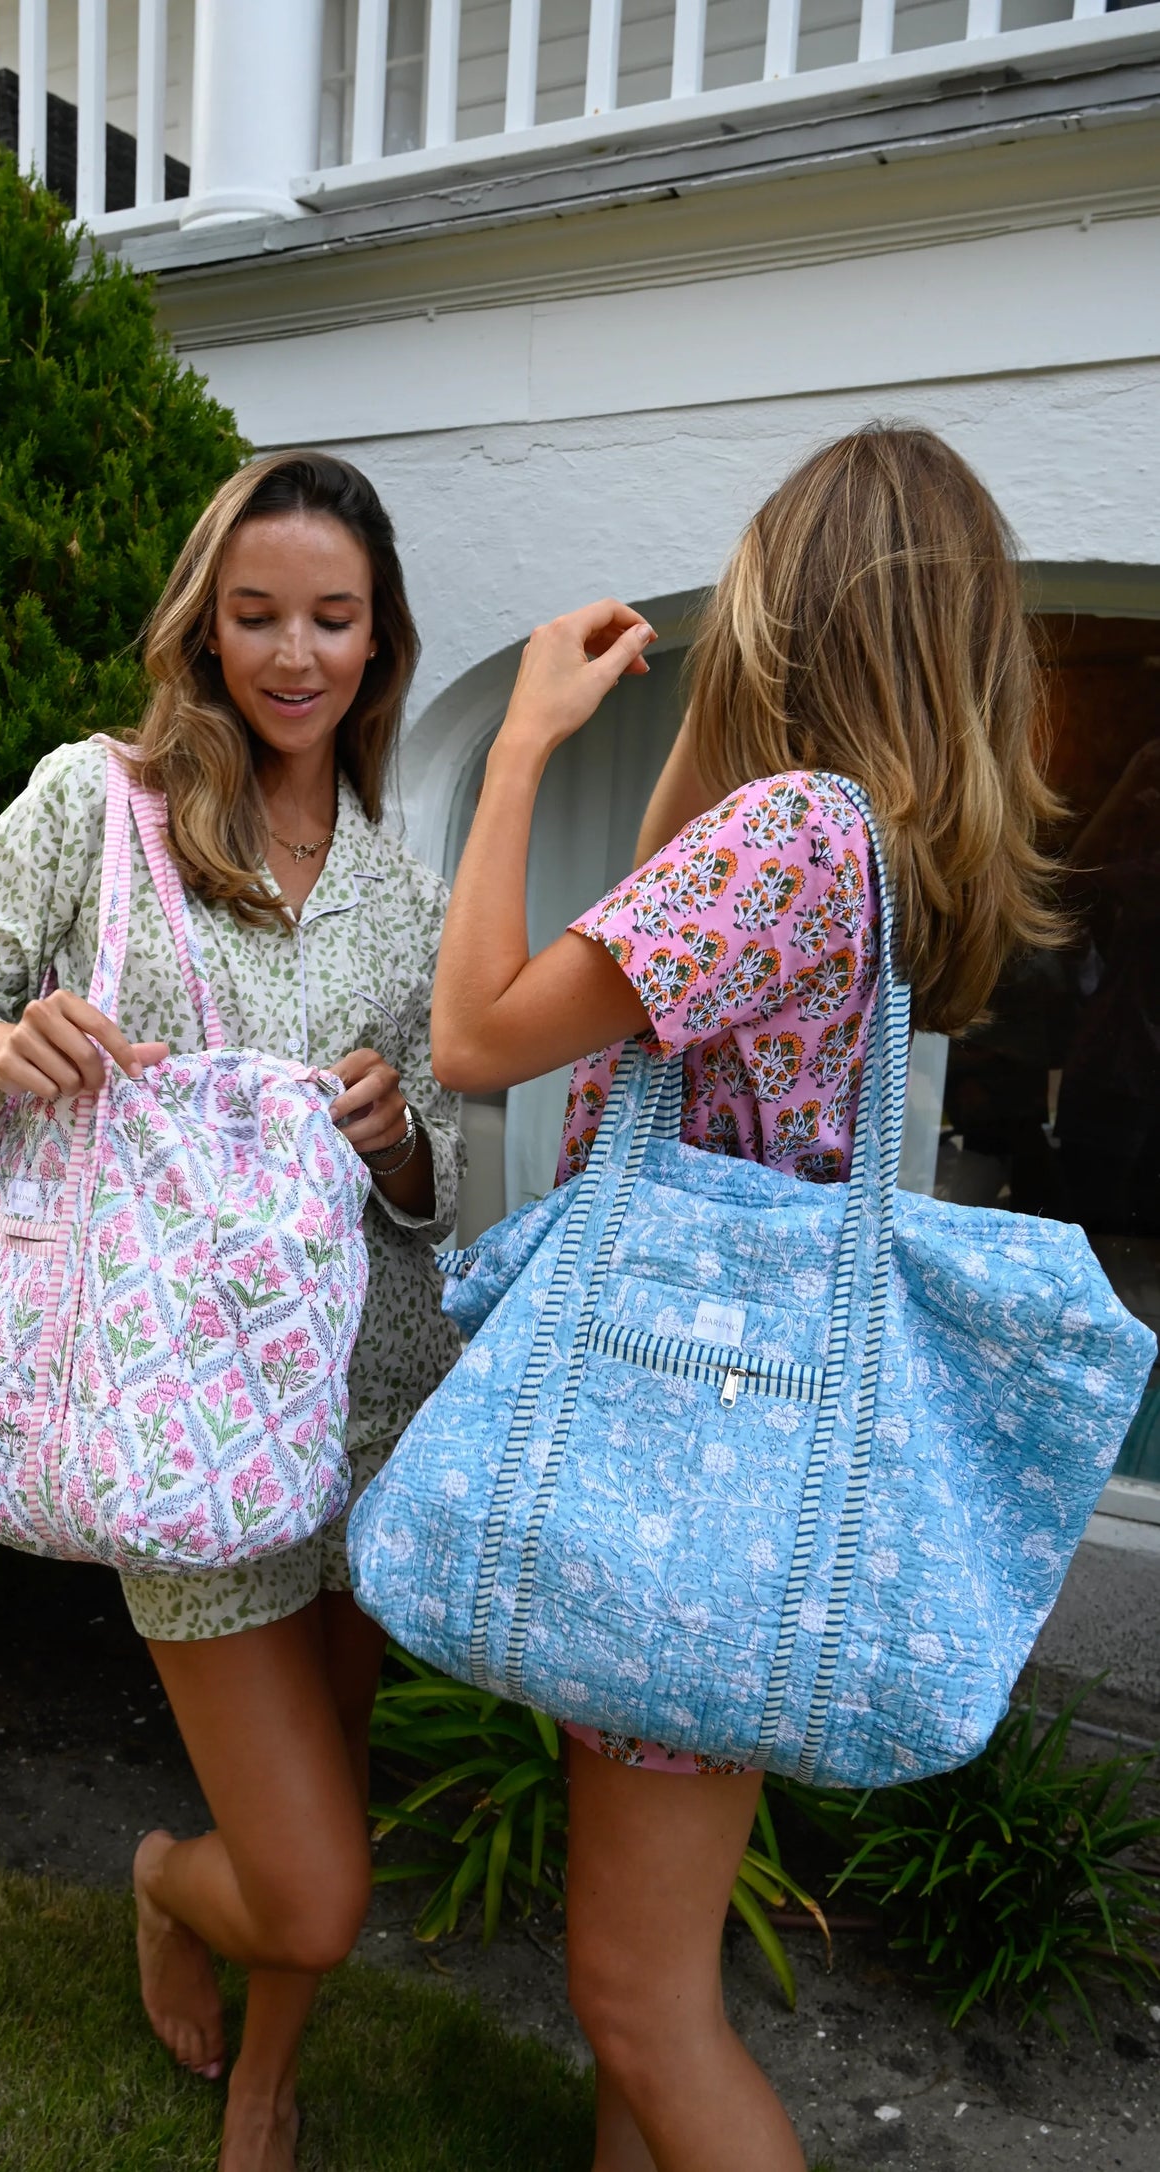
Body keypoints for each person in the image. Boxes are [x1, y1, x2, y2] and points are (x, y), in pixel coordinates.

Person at [428, 425, 1064, 2172]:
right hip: (732, 1465)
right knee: (656, 1977)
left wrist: (511, 756)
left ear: (788, 610)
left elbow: (477, 1035)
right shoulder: (842, 845)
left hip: (667, 1464)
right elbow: (652, 923)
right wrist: (713, 730)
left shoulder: (785, 839)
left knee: (639, 2005)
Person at [0, 451, 463, 2172]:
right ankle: (163, 1883)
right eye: (258, 613)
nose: (293, 654)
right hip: (172, 1408)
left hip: (366, 1390)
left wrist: (400, 1136)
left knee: (331, 1782)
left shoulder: (394, 882)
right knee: (313, 1878)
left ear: (377, 641)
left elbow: (429, 1184)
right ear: (206, 623)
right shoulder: (101, 801)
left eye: (332, 620)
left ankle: (268, 2081)